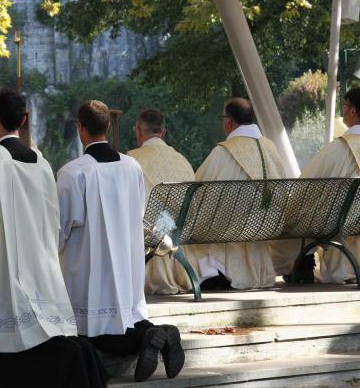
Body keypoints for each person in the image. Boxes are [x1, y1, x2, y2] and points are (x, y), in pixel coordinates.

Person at [0, 89, 108, 388]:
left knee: (9, 332)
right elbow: (52, 215)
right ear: (24, 120)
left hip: (2, 256)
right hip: (38, 255)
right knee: (43, 325)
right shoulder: (41, 163)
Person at [57, 100, 184, 382]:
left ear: (80, 128)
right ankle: (160, 333)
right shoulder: (131, 166)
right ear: (109, 126)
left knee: (92, 332)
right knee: (126, 317)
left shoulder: (73, 172)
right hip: (126, 265)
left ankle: (147, 337)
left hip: (89, 268)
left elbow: (60, 227)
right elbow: (138, 213)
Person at [186, 98, 289, 290]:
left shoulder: (223, 152)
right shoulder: (270, 148)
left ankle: (217, 272)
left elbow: (196, 191)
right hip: (265, 227)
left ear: (228, 122)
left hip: (229, 231)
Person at [300, 87, 360, 284]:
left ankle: (301, 265)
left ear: (353, 111)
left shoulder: (339, 148)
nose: (342, 111)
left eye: (344, 106)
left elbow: (305, 186)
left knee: (298, 210)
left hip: (336, 223)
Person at [126, 109, 195, 295]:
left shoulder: (131, 160)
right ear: (163, 132)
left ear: (138, 130)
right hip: (179, 238)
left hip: (147, 242)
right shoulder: (182, 160)